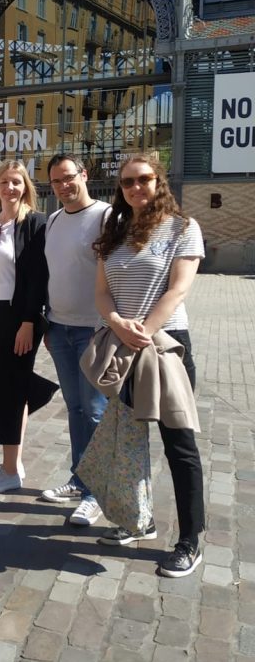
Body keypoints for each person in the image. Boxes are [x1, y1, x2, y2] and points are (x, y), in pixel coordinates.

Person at [93, 153, 205, 577]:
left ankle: (190, 540)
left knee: (179, 446)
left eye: (143, 179)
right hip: (124, 344)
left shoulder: (182, 228)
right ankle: (136, 518)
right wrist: (118, 323)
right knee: (126, 439)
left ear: (159, 182)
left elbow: (178, 290)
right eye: (126, 182)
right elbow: (102, 292)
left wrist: (142, 333)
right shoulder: (115, 231)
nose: (135, 188)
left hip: (165, 347)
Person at [0, 159, 57, 494]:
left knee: (11, 389)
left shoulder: (35, 224)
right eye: (4, 181)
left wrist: (29, 321)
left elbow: (37, 277)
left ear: (26, 187)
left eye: (16, 181)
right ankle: (11, 462)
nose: (10, 188)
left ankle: (10, 471)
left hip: (17, 318)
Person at [40, 154, 110, 528]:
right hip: (60, 328)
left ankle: (95, 493)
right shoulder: (52, 220)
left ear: (84, 175)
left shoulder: (106, 216)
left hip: (94, 330)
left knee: (95, 410)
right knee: (76, 409)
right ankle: (80, 477)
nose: (64, 186)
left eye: (69, 177)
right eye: (56, 181)